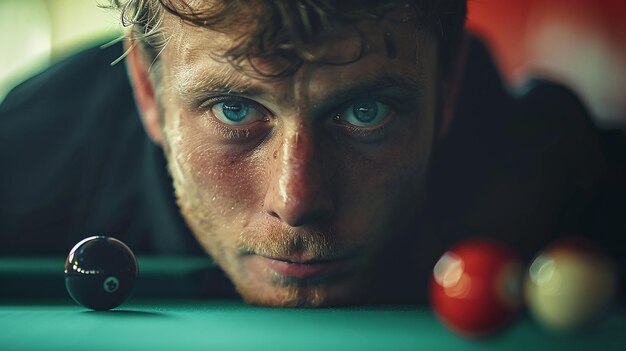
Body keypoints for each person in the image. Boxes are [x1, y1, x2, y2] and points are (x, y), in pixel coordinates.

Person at [1, 0, 622, 306]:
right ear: (146, 86)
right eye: (235, 110)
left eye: (364, 112)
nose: (296, 201)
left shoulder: (558, 167)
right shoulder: (26, 160)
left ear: (448, 82)